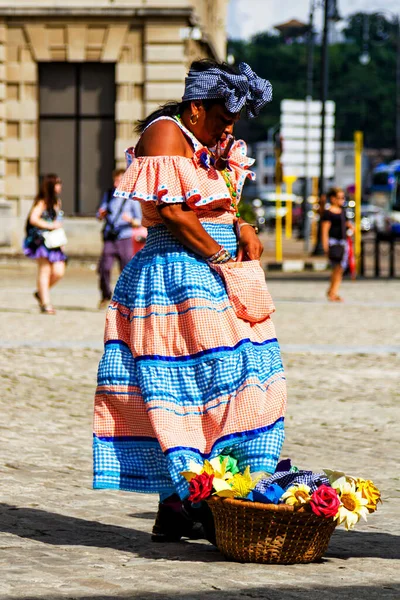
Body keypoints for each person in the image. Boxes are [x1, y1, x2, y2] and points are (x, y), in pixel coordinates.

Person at [93, 59, 287, 543]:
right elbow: (175, 214)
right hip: (178, 273)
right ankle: (187, 498)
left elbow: (221, 200)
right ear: (196, 107)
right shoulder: (164, 133)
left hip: (216, 269)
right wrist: (221, 254)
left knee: (243, 378)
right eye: (223, 115)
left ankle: (188, 501)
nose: (229, 126)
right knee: (189, 384)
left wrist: (242, 225)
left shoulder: (212, 142)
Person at [97, 169, 142, 309]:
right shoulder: (109, 195)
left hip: (125, 237)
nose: (117, 183)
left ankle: (127, 298)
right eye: (115, 180)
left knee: (126, 269)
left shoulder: (132, 198)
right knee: (104, 267)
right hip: (110, 236)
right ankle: (105, 295)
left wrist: (130, 220)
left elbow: (140, 220)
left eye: (119, 180)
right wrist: (101, 214)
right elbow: (99, 213)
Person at [24, 174, 66, 315]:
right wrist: (50, 225)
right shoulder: (42, 202)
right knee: (45, 271)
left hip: (55, 242)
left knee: (59, 271)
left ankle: (41, 292)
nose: (60, 186)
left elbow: (58, 223)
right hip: (42, 241)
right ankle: (46, 304)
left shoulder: (57, 202)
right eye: (57, 183)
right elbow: (33, 219)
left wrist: (61, 241)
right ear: (51, 186)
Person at [321, 187, 354, 302]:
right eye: (339, 197)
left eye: (343, 197)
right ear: (333, 198)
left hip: (343, 242)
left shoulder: (343, 212)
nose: (341, 200)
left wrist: (351, 227)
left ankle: (333, 291)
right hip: (333, 242)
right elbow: (325, 230)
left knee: (340, 268)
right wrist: (325, 246)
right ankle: (333, 292)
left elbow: (347, 224)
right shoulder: (328, 213)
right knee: (337, 267)